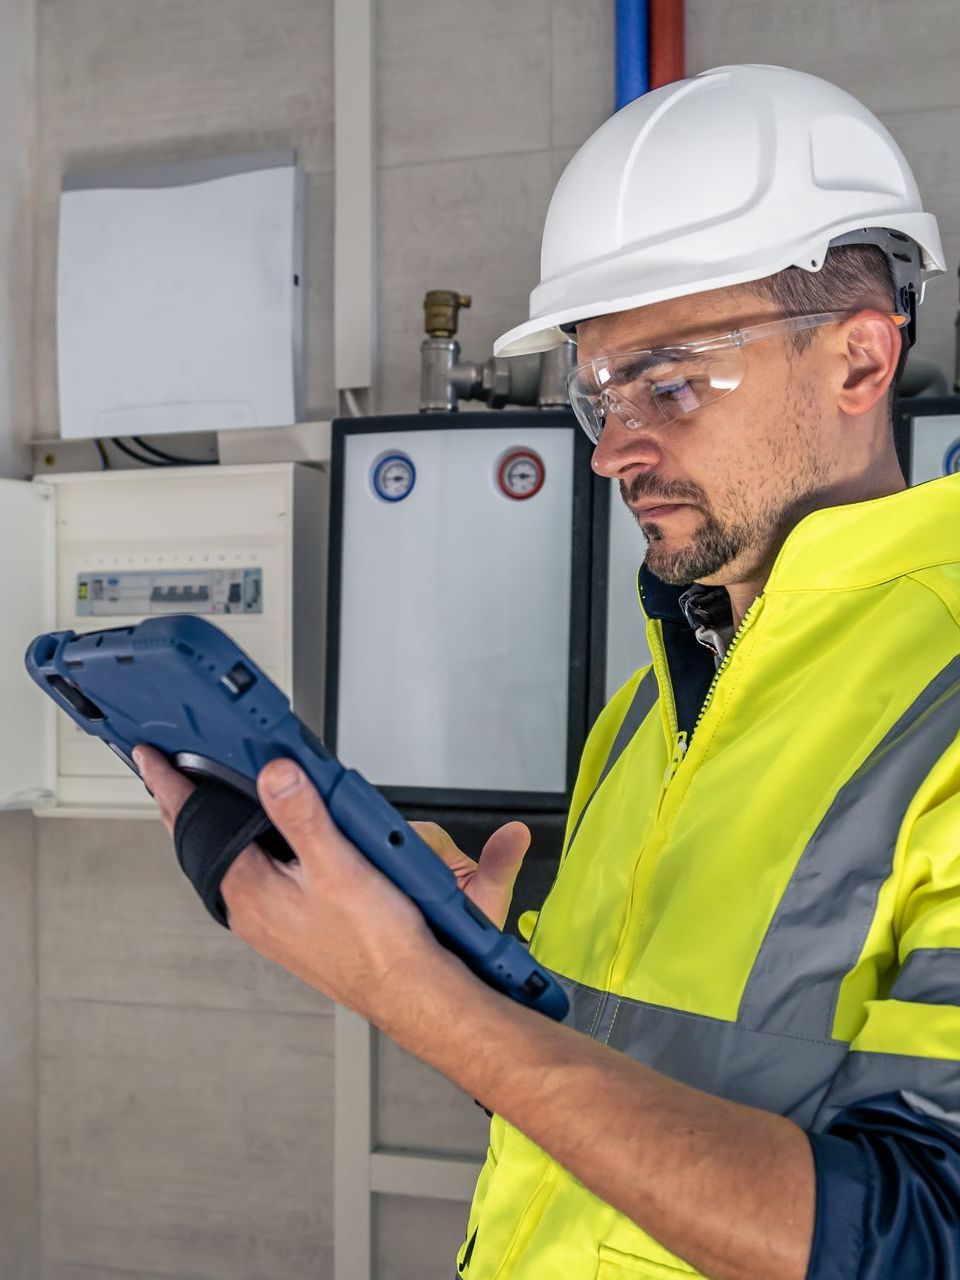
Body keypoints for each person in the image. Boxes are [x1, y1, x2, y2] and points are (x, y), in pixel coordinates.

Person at [136, 64, 960, 1280]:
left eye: (670, 381)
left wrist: (431, 1003)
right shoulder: (649, 707)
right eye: (599, 392)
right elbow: (611, 1111)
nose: (614, 448)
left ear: (858, 359)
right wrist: (472, 968)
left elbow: (921, 1239)